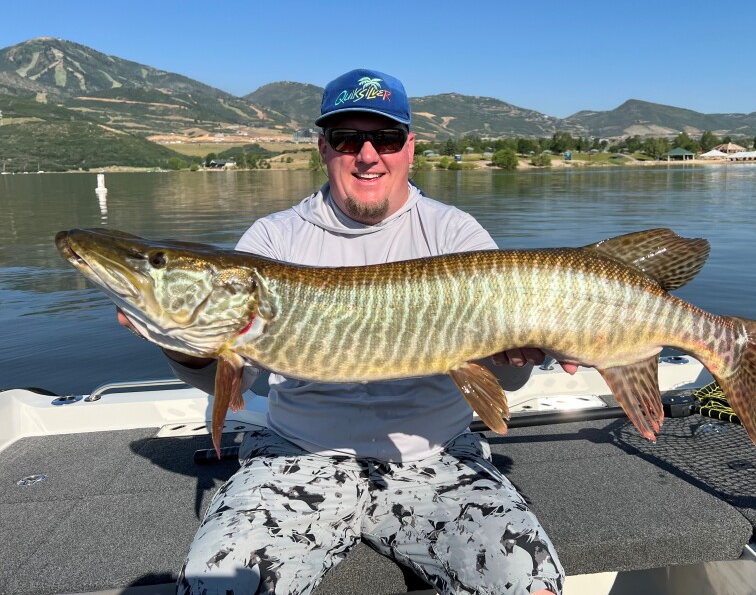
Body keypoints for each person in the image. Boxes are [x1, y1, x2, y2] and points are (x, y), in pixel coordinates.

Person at [119, 69, 566, 594]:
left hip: (438, 457)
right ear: (323, 148)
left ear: (410, 148)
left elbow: (507, 386)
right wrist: (187, 349)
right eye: (347, 138)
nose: (368, 154)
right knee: (217, 588)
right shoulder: (274, 238)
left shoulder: (455, 234)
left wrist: (520, 356)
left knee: (530, 583)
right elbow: (243, 382)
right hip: (298, 457)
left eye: (387, 138)